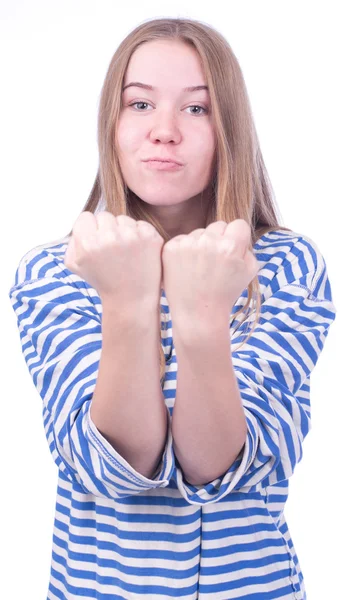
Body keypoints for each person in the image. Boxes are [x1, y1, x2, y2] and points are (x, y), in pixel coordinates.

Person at [8, 16, 336, 600]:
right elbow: (112, 468)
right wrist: (127, 300)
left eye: (196, 108)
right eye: (139, 105)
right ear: (110, 123)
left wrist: (203, 314)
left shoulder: (285, 265)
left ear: (228, 128)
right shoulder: (55, 271)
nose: (164, 131)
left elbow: (222, 468)